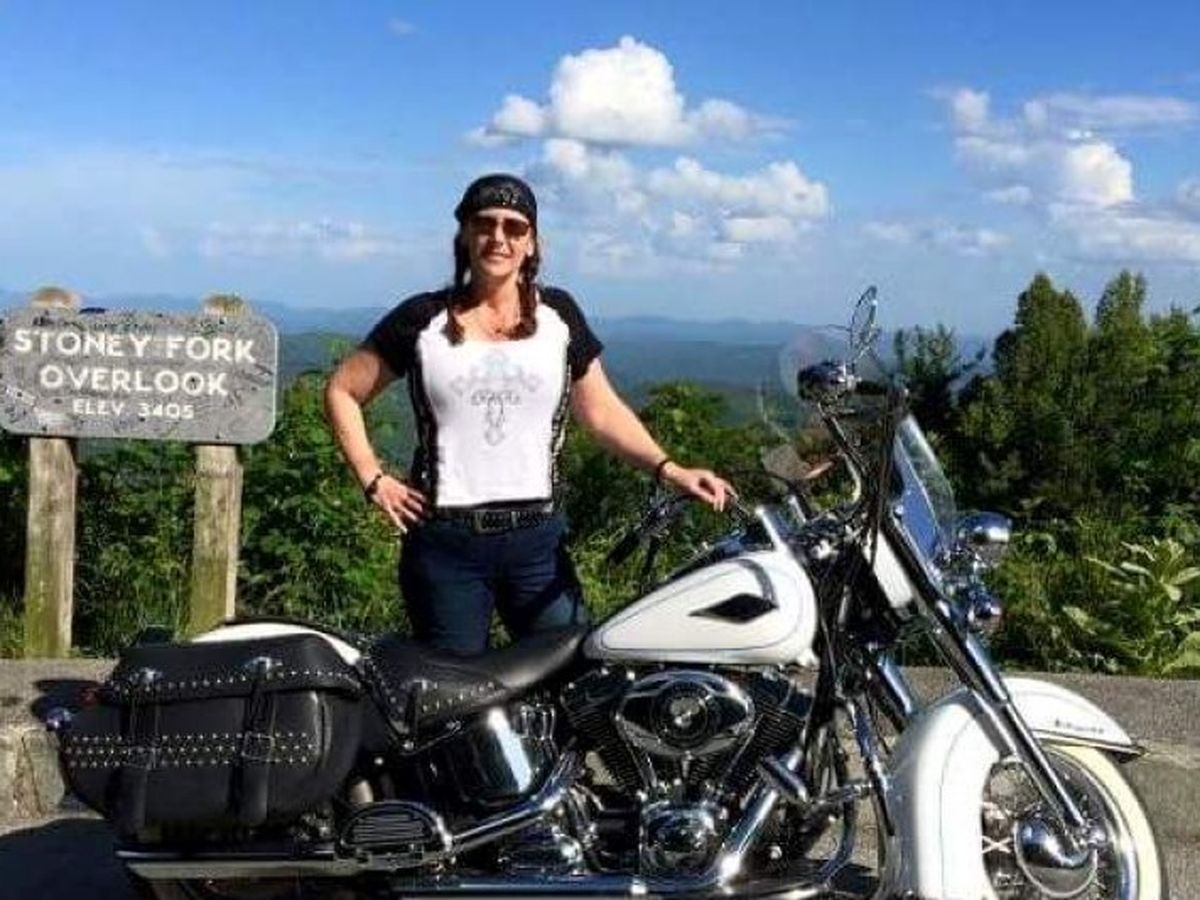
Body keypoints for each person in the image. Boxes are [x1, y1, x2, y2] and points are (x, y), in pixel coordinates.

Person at [324, 173, 732, 656]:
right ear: (465, 234)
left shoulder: (559, 315)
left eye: (514, 227)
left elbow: (601, 411)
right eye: (485, 223)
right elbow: (343, 390)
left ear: (532, 242)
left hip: (538, 543)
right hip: (446, 545)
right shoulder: (423, 319)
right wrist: (373, 478)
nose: (499, 237)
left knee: (570, 673)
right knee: (455, 691)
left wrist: (670, 469)